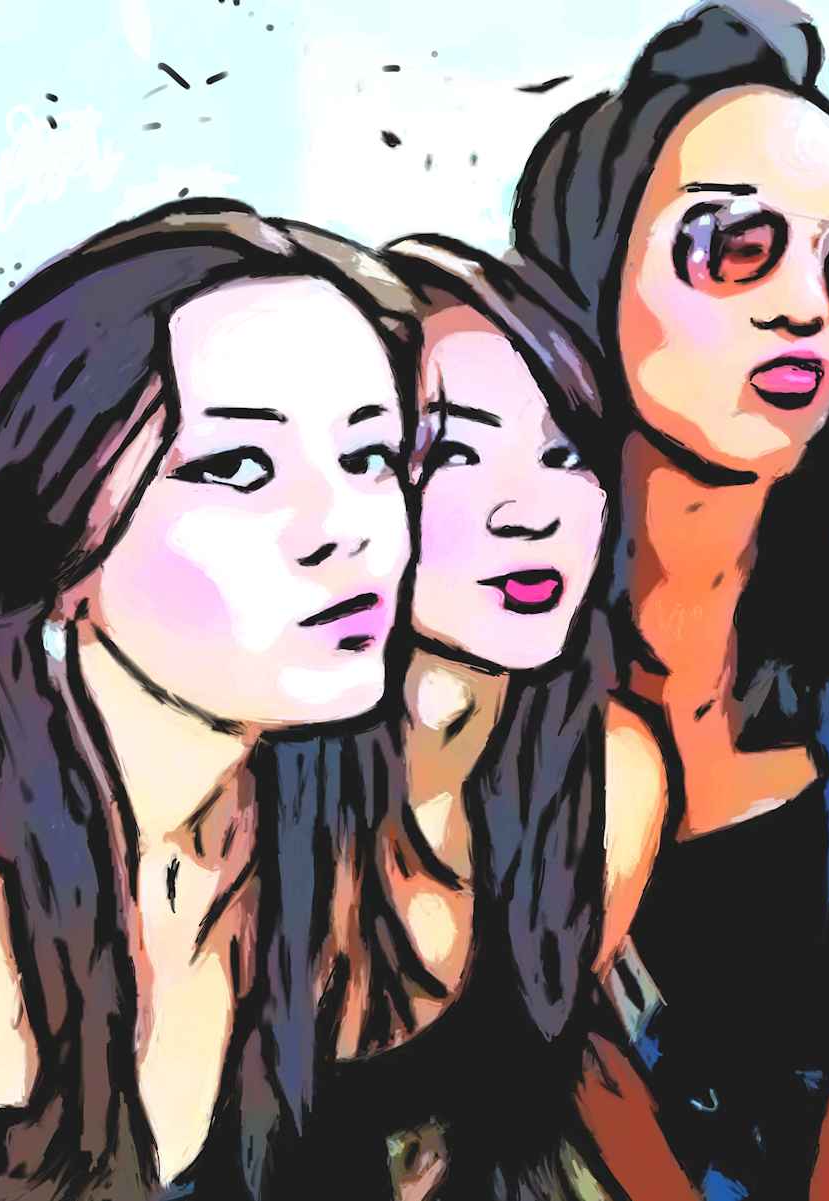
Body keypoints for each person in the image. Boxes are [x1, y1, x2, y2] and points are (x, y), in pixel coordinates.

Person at [0, 200, 423, 1200]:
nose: (345, 527)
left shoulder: (293, 840)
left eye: (369, 456)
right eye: (236, 467)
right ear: (59, 523)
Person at [513, 5, 829, 1198]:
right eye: (735, 245)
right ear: (594, 259)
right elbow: (553, 1036)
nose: (808, 309)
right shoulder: (503, 587)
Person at [308, 233, 692, 1200]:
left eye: (564, 454)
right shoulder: (235, 798)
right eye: (453, 452)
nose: (531, 510)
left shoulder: (610, 779)